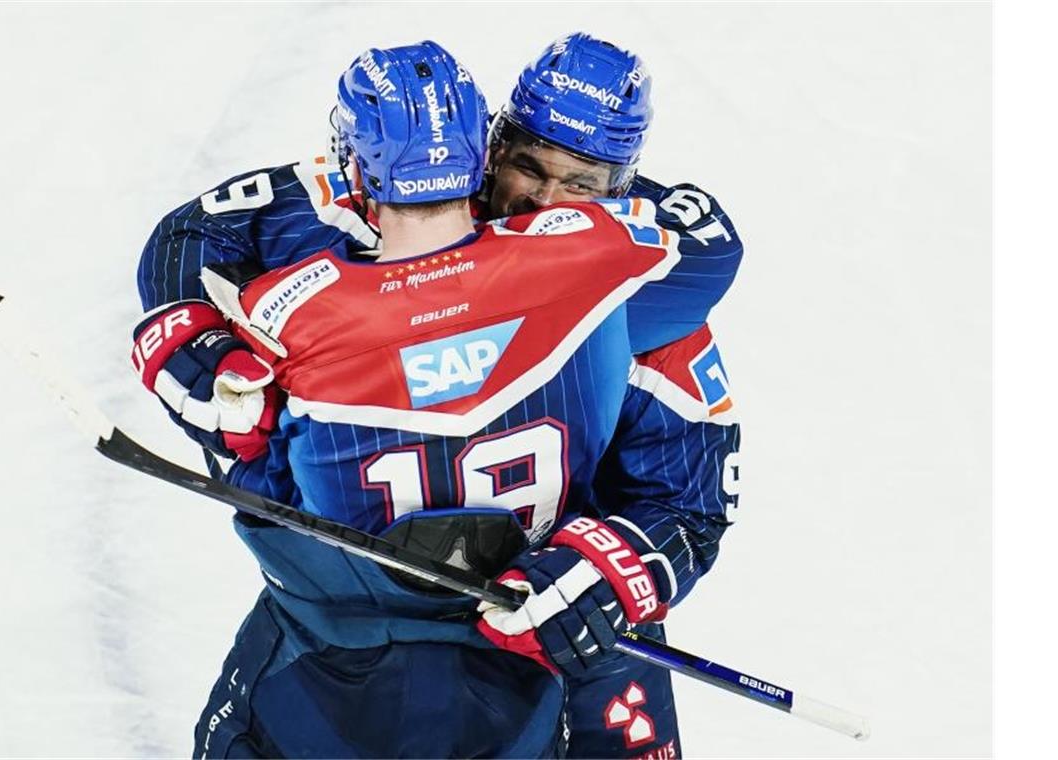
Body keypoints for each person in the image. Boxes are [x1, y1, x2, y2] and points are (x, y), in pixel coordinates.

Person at [132, 34, 741, 759]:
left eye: (581, 184)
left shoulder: (634, 288)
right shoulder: (392, 220)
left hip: (566, 634)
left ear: (625, 183)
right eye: (526, 166)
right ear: (490, 147)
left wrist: (621, 572)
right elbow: (196, 233)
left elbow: (692, 504)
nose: (541, 201)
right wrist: (194, 339)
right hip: (350, 649)